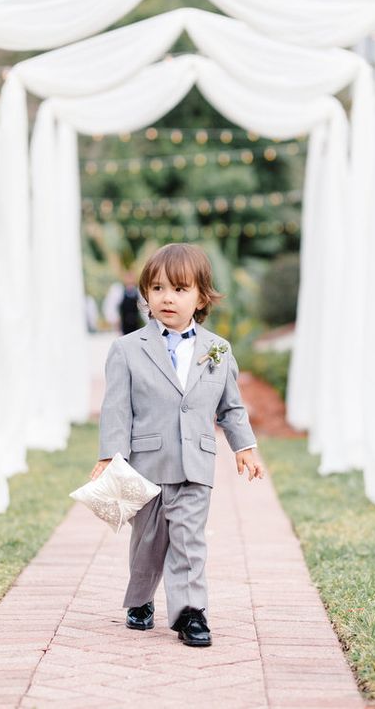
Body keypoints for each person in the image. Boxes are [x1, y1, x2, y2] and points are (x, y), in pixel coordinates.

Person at [90, 243, 263, 647]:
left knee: (189, 538)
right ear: (146, 294)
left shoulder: (217, 350)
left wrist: (245, 447)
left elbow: (231, 407)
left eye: (180, 289)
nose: (167, 297)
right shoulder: (128, 349)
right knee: (148, 543)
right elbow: (116, 407)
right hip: (145, 463)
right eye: (158, 288)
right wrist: (108, 456)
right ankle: (140, 600)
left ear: (201, 297)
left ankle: (191, 613)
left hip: (196, 464)